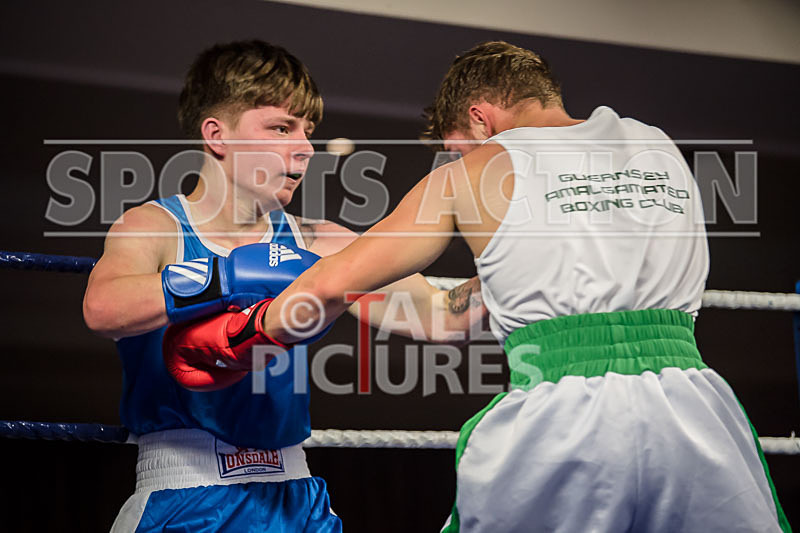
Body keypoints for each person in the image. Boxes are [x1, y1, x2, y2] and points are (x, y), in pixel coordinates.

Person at [257, 41, 790, 532]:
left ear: (480, 118)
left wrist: (240, 334)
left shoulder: (476, 171)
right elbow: (454, 312)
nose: (457, 161)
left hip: (565, 418)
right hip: (694, 409)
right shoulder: (659, 148)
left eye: (456, 148)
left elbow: (332, 282)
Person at [83, 40, 484, 532]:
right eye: (280, 127)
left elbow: (441, 316)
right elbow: (103, 308)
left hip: (296, 497)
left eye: (308, 131)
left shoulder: (320, 243)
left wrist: (526, 265)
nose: (305, 147)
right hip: (186, 492)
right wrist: (227, 275)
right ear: (218, 136)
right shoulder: (155, 227)